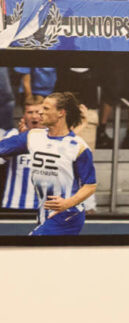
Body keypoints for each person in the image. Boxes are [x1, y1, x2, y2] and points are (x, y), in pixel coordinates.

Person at [0, 90, 96, 236]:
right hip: (43, 213)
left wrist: (68, 203)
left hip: (67, 215)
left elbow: (90, 185)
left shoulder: (79, 147)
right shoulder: (33, 136)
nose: (40, 112)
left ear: (61, 113)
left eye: (45, 108)